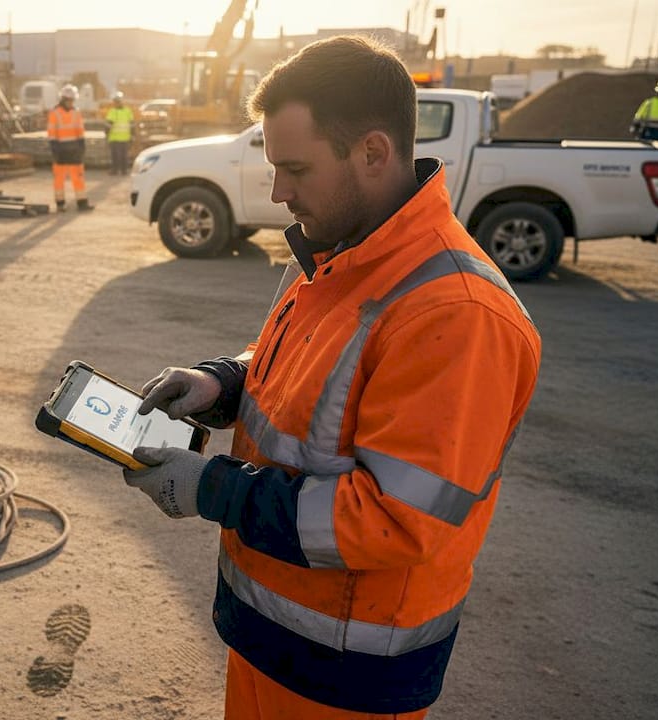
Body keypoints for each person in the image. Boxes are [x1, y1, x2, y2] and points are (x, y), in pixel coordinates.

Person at [120, 35, 541, 719]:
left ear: (372, 153)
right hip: (270, 635)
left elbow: (395, 520)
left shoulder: (458, 313)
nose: (278, 192)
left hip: (348, 676)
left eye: (295, 169)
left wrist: (212, 489)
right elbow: (309, 374)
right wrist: (223, 384)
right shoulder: (341, 251)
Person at [47, 84, 92, 211]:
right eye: (69, 100)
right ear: (63, 99)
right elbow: (52, 132)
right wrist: (54, 148)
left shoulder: (76, 112)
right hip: (60, 150)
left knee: (78, 177)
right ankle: (60, 203)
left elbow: (80, 130)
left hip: (75, 150)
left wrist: (82, 145)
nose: (71, 102)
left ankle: (82, 202)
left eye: (72, 100)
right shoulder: (54, 113)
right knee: (59, 179)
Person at [105, 91, 136, 175]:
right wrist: (133, 135)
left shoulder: (118, 111)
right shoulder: (125, 111)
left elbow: (132, 124)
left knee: (121, 156)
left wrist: (106, 134)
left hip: (120, 137)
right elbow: (108, 125)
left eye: (116, 101)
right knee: (118, 155)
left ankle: (120, 170)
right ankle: (119, 170)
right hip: (118, 137)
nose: (116, 103)